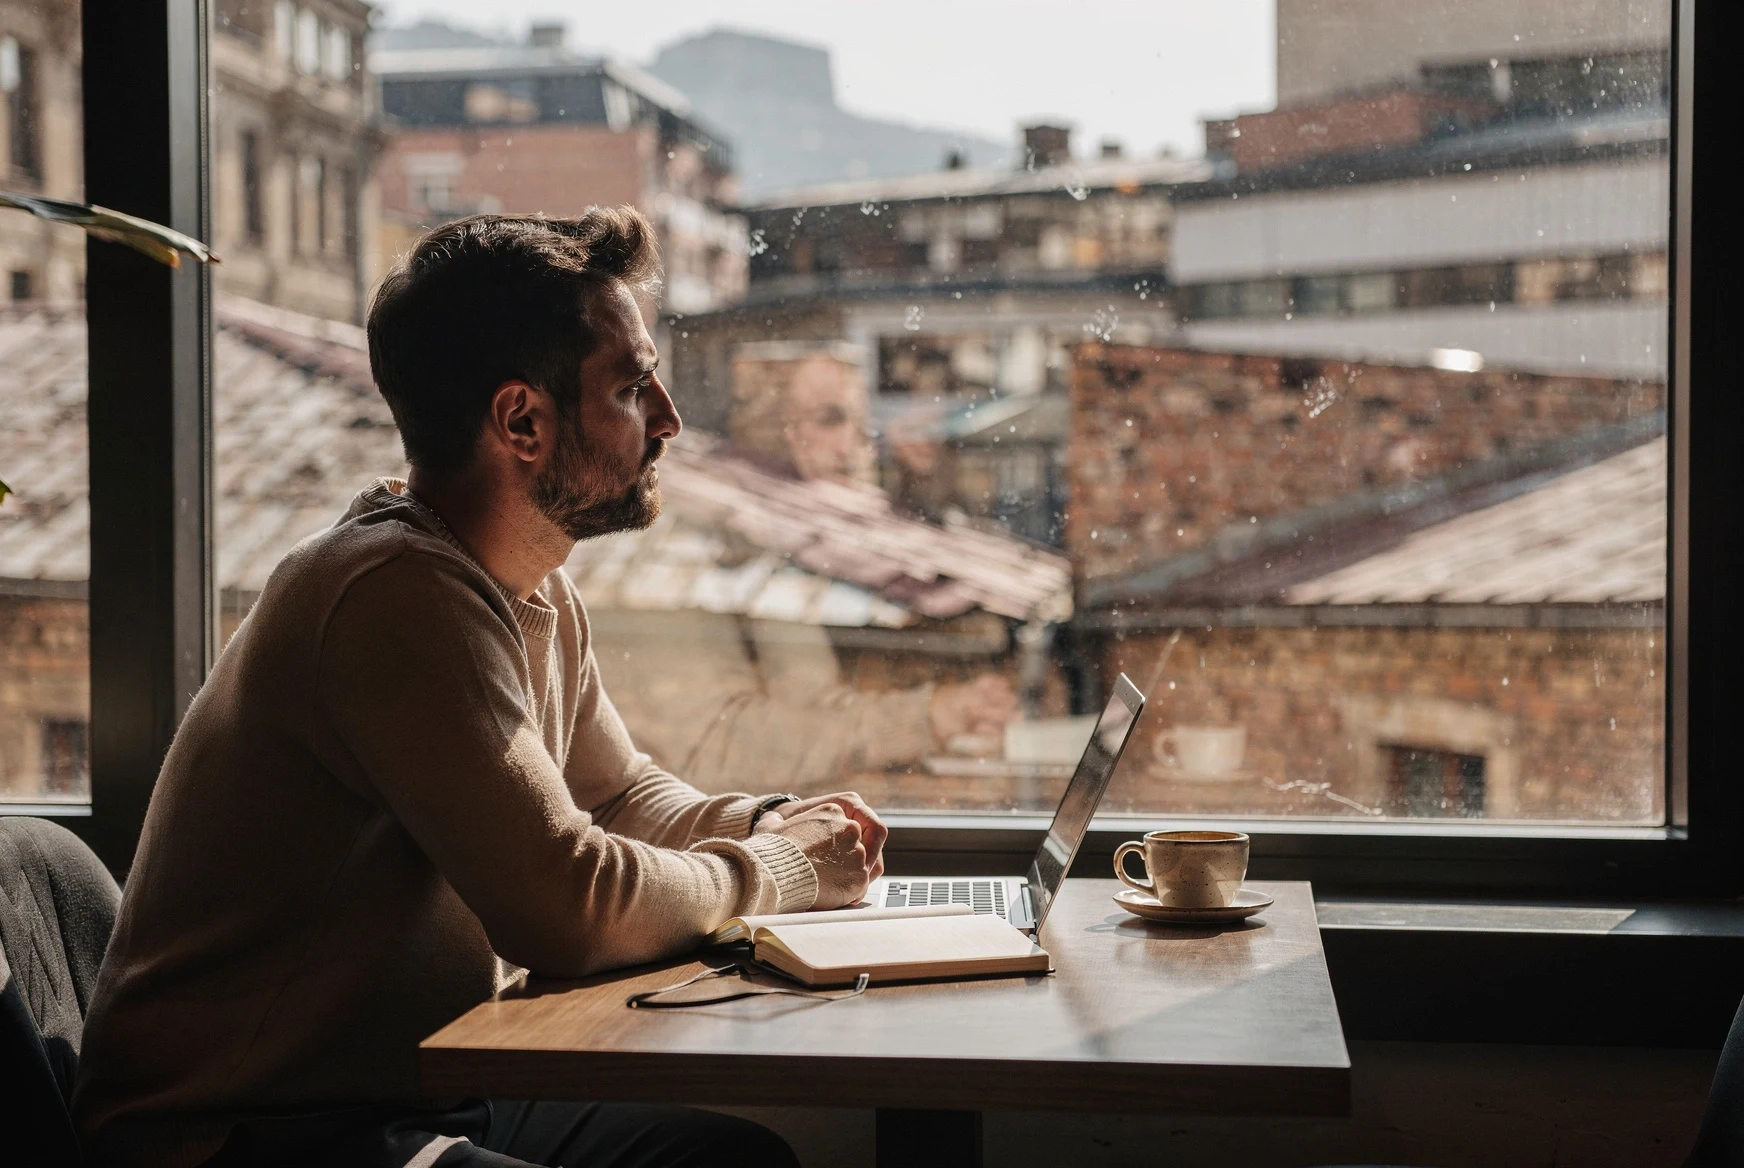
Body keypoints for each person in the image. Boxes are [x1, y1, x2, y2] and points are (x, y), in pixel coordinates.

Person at [72, 209, 883, 1168]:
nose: (668, 417)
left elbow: (617, 795)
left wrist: (774, 823)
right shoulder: (392, 596)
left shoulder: (524, 587)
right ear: (522, 422)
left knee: (726, 1159)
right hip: (244, 1136)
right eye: (632, 386)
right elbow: (566, 904)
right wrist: (783, 873)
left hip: (398, 1098)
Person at [588, 350, 1021, 790]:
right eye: (830, 420)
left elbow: (815, 710)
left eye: (860, 423)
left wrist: (951, 719)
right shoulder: (684, 559)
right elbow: (722, 748)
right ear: (774, 436)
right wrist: (928, 717)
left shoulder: (792, 558)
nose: (856, 445)